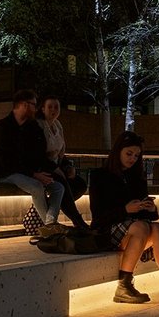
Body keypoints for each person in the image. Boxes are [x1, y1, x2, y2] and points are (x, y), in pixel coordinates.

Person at [89, 131, 159, 305]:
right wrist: (125, 209)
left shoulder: (136, 177)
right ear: (118, 152)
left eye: (136, 155)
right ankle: (123, 286)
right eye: (129, 154)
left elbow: (148, 218)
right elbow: (98, 216)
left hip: (133, 230)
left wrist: (151, 209)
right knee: (140, 227)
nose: (132, 159)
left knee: (157, 228)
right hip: (105, 230)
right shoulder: (100, 176)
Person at [0, 89, 66, 238]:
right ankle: (50, 228)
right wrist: (35, 175)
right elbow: (7, 163)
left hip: (25, 172)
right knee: (37, 186)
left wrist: (41, 172)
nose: (36, 109)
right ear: (23, 105)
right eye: (33, 105)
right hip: (3, 173)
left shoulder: (31, 127)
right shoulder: (3, 128)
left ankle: (49, 224)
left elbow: (37, 155)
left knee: (58, 187)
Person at [37, 95, 89, 230]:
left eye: (56, 107)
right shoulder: (39, 125)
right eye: (50, 107)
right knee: (62, 183)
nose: (53, 110)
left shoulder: (58, 125)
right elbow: (38, 155)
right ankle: (76, 219)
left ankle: (51, 206)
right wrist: (55, 168)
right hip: (42, 167)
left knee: (79, 184)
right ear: (42, 109)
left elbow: (60, 152)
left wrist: (67, 166)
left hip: (57, 165)